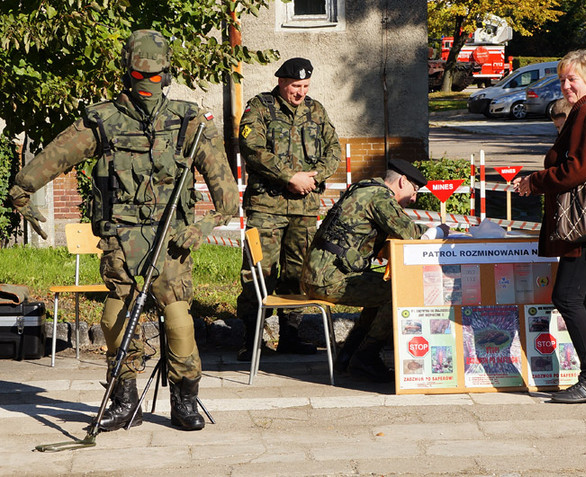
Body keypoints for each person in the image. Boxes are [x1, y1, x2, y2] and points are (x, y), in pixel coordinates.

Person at [9, 30, 238, 431]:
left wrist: (201, 227)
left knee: (179, 319)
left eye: (155, 76)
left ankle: (185, 400)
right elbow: (57, 154)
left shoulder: (190, 122)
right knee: (116, 317)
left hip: (171, 240)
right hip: (121, 239)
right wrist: (23, 187)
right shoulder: (104, 121)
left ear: (167, 76)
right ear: (126, 73)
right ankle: (125, 399)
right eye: (139, 75)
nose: (147, 83)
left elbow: (228, 199)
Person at [512, 49, 586, 403]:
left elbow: (578, 169)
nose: (565, 85)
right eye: (562, 78)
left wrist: (535, 181)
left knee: (567, 297)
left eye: (572, 79)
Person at [300, 159, 449, 382]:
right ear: (402, 181)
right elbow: (411, 234)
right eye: (414, 190)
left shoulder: (365, 188)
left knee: (385, 288)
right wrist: (439, 231)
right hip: (329, 279)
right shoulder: (380, 197)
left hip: (320, 274)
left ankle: (349, 355)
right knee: (398, 293)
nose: (414, 197)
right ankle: (365, 357)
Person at [236, 57, 342, 360]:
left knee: (297, 274)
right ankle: (252, 339)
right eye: (296, 86)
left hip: (304, 207)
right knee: (259, 272)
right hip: (265, 207)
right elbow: (252, 150)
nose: (301, 92)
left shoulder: (316, 110)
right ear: (282, 82)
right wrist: (289, 178)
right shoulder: (260, 108)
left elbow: (333, 149)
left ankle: (291, 336)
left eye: (306, 86)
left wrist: (314, 177)